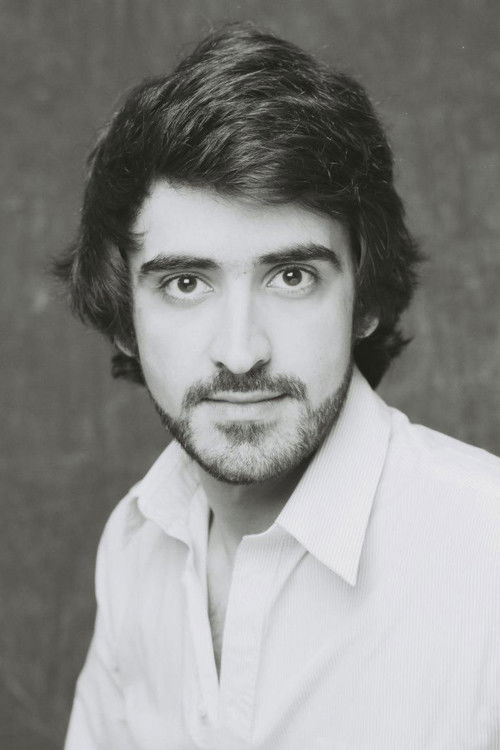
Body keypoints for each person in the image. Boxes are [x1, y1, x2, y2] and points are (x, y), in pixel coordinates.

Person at [56, 23, 500, 750]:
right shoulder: (136, 545)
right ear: (123, 317)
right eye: (186, 283)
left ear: (366, 300)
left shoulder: (489, 556)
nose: (240, 353)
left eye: (292, 277)